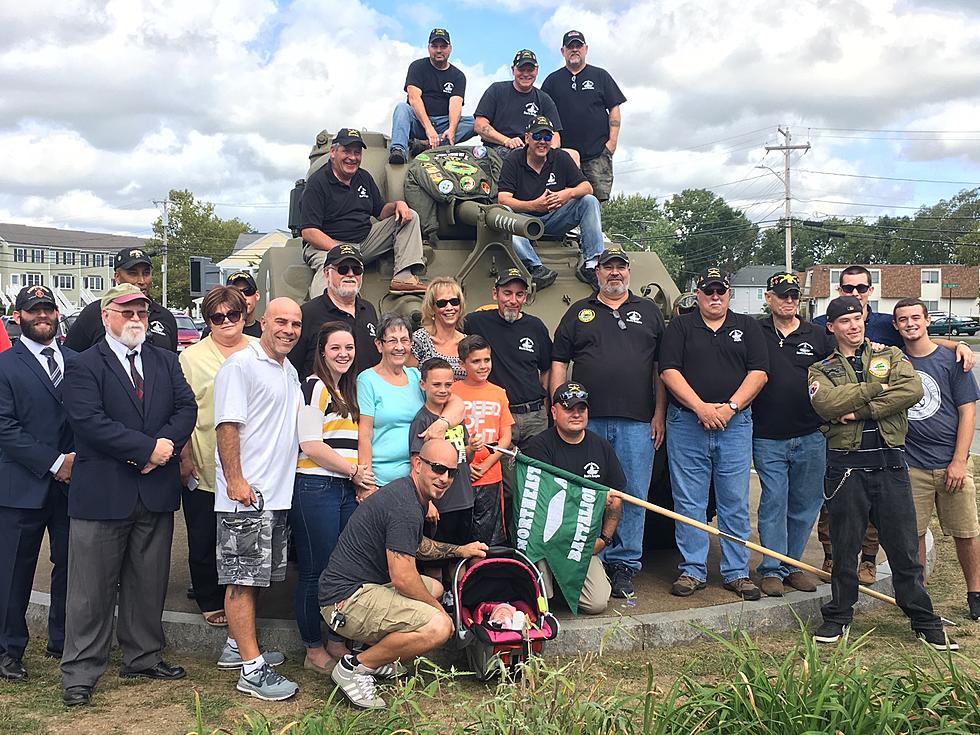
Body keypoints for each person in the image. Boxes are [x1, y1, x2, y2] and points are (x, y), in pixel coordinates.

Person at [60, 284, 196, 707]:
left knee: (148, 583)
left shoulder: (165, 359)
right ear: (106, 317)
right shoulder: (84, 365)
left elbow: (186, 409)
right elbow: (88, 422)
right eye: (126, 312)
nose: (136, 318)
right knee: (90, 590)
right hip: (103, 495)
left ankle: (144, 656)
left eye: (141, 311)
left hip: (153, 492)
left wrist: (166, 447)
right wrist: (145, 451)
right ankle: (80, 671)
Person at [808, 296, 957, 649]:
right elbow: (826, 403)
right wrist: (877, 388)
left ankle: (924, 620)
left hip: (891, 466)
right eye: (845, 321)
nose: (854, 325)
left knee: (904, 551)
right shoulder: (820, 369)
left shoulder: (888, 356)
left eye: (858, 319)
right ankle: (839, 617)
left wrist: (858, 410)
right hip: (846, 470)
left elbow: (912, 390)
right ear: (832, 327)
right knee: (844, 551)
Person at [813, 265, 974, 584]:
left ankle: (869, 561)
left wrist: (958, 346)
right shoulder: (821, 325)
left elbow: (918, 336)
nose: (855, 294)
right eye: (848, 288)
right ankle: (833, 557)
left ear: (870, 290)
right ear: (839, 291)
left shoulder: (887, 324)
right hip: (843, 436)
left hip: (883, 432)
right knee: (836, 503)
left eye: (861, 288)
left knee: (878, 511)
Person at [320, 438, 488, 710]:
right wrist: (439, 612)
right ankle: (356, 667)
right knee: (439, 627)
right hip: (344, 601)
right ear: (417, 464)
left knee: (433, 588)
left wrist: (460, 550)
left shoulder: (409, 494)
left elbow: (417, 545)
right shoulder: (406, 507)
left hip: (362, 589)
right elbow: (402, 578)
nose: (444, 478)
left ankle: (374, 655)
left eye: (451, 472)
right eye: (437, 468)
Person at [551, 249, 666, 598]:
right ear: (597, 273)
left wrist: (659, 413)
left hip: (637, 421)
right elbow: (559, 362)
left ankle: (624, 564)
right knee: (584, 493)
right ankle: (584, 558)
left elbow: (661, 369)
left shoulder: (649, 312)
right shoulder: (579, 313)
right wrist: (556, 406)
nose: (614, 274)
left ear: (628, 272)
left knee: (631, 494)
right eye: (607, 268)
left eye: (619, 267)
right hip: (586, 421)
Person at [659, 267, 768, 601]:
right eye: (709, 291)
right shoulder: (680, 326)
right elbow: (668, 371)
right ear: (699, 294)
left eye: (721, 291)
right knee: (689, 500)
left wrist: (729, 408)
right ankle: (693, 569)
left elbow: (759, 373)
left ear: (729, 293)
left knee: (733, 500)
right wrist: (701, 408)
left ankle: (736, 572)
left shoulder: (747, 326)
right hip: (688, 422)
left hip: (734, 424)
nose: (715, 297)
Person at [214, 297, 303, 701]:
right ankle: (252, 670)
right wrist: (235, 479)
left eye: (295, 324)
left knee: (257, 576)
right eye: (280, 321)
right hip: (246, 495)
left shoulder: (288, 370)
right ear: (262, 321)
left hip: (274, 495)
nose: (288, 330)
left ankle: (238, 646)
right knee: (241, 581)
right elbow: (227, 426)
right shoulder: (241, 364)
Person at [0, 286, 75, 682]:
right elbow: (5, 428)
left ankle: (62, 641)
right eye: (34, 311)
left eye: (48, 309)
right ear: (18, 317)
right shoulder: (5, 365)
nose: (42, 315)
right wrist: (54, 462)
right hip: (21, 486)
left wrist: (75, 462)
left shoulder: (78, 363)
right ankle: (8, 649)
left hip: (72, 487)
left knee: (69, 566)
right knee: (14, 571)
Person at [293, 322, 375, 675]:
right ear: (322, 351)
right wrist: (354, 471)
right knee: (315, 572)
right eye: (336, 347)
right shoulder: (315, 386)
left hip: (340, 488)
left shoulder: (346, 391)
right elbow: (310, 444)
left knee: (339, 571)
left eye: (349, 347)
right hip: (316, 487)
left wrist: (353, 478)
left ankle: (337, 638)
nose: (344, 353)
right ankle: (313, 648)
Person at [893, 298, 980, 621]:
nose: (910, 324)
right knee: (912, 533)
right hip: (912, 463)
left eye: (916, 317)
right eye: (903, 320)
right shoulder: (894, 360)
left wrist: (959, 461)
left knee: (966, 531)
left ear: (928, 320)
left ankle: (975, 592)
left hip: (950, 462)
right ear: (896, 326)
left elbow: (967, 411)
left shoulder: (951, 360)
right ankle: (920, 596)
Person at [751, 272, 835, 596]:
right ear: (768, 297)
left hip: (811, 434)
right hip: (767, 435)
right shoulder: (754, 332)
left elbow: (847, 358)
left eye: (794, 296)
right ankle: (771, 567)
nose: (789, 301)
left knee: (805, 505)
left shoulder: (817, 336)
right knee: (773, 502)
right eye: (782, 295)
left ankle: (790, 566)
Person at [178, 286, 255, 628]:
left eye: (232, 314)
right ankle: (209, 597)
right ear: (207, 320)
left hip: (252, 462)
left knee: (245, 538)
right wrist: (184, 457)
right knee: (204, 535)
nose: (226, 322)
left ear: (244, 315)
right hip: (205, 458)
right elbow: (181, 410)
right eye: (216, 317)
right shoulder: (192, 357)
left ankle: (241, 597)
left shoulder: (259, 350)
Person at [524, 382, 625, 615]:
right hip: (547, 540)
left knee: (597, 603)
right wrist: (592, 496)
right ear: (554, 411)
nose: (576, 414)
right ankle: (547, 589)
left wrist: (604, 539)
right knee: (541, 605)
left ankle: (569, 584)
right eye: (569, 408)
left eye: (582, 408)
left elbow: (617, 499)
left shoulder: (601, 447)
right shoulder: (539, 446)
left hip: (581, 542)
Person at [463, 269, 553, 528]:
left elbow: (546, 367)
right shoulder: (477, 323)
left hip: (535, 416)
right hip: (501, 417)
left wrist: (545, 404)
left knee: (537, 482)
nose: (513, 300)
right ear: (495, 294)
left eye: (519, 294)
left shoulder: (535, 326)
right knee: (508, 487)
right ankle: (508, 543)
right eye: (507, 293)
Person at [300, 128, 427, 298]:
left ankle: (403, 277)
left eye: (357, 152)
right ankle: (326, 312)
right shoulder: (318, 182)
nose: (352, 157)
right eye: (346, 151)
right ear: (333, 152)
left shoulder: (363, 178)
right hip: (326, 245)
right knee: (331, 269)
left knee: (410, 217)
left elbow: (380, 212)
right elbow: (309, 231)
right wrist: (341, 251)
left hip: (364, 241)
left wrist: (398, 204)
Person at [497, 116, 606, 290]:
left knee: (589, 201)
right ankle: (536, 268)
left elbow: (587, 187)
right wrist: (534, 205)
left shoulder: (560, 157)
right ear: (527, 138)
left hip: (556, 218)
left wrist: (566, 194)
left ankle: (592, 264)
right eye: (537, 136)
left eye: (547, 137)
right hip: (524, 224)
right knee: (503, 212)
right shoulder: (514, 160)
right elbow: (503, 198)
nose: (543, 142)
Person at [358, 314, 464, 489]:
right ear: (379, 345)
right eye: (392, 341)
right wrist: (367, 485)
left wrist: (442, 424)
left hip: (419, 479)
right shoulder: (367, 380)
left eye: (405, 341)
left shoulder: (416, 376)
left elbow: (457, 404)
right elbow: (364, 434)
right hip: (383, 479)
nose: (399, 347)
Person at [541, 30, 626, 202]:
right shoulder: (552, 81)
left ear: (586, 49)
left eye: (578, 46)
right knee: (563, 201)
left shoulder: (600, 75)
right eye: (570, 46)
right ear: (562, 51)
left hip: (597, 154)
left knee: (595, 203)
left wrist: (612, 143)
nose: (574, 50)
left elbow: (614, 108)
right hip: (564, 156)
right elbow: (543, 117)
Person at [410, 359, 475, 577]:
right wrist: (427, 503)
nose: (443, 390)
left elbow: (464, 456)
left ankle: (458, 604)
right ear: (423, 385)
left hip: (464, 499)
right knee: (436, 562)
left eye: (448, 385)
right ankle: (437, 607)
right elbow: (417, 464)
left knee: (461, 556)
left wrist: (471, 447)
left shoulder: (455, 418)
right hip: (440, 505)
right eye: (436, 384)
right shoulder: (422, 420)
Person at [453, 335, 514, 546]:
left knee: (490, 539)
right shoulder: (452, 392)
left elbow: (506, 437)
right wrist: (464, 465)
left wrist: (488, 462)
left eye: (487, 360)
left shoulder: (499, 393)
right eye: (476, 361)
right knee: (461, 536)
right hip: (460, 476)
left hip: (491, 476)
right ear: (462, 364)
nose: (483, 366)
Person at [289, 244, 381, 380]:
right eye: (343, 269)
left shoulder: (368, 309)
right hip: (327, 397)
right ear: (326, 273)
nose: (350, 274)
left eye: (357, 270)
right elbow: (293, 365)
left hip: (367, 396)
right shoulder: (308, 313)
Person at [64, 246, 178, 352]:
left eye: (146, 273)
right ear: (117, 277)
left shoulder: (165, 317)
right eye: (133, 274)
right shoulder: (94, 313)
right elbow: (71, 357)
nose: (141, 281)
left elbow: (171, 362)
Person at [388, 28, 475, 165]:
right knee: (402, 108)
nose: (439, 50)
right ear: (428, 48)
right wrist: (429, 129)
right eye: (435, 46)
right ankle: (399, 150)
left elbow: (456, 104)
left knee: (476, 123)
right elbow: (414, 98)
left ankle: (428, 145)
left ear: (450, 48)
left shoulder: (458, 76)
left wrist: (451, 129)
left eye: (443, 46)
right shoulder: (417, 67)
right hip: (418, 121)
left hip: (443, 124)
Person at [474, 50, 563, 151]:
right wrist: (507, 141)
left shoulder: (544, 99)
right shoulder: (496, 90)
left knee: (573, 155)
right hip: (500, 147)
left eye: (530, 70)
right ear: (513, 70)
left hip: (534, 150)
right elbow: (480, 125)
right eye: (521, 69)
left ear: (537, 70)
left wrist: (549, 151)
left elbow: (555, 135)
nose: (526, 74)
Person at [410, 277, 468, 380]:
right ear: (432, 309)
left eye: (454, 302)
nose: (449, 308)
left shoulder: (467, 343)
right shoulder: (419, 340)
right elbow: (409, 379)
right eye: (442, 303)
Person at [201, 272, 262, 339]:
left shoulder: (265, 331)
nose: (242, 296)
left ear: (257, 295)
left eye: (248, 291)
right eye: (236, 293)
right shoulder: (214, 331)